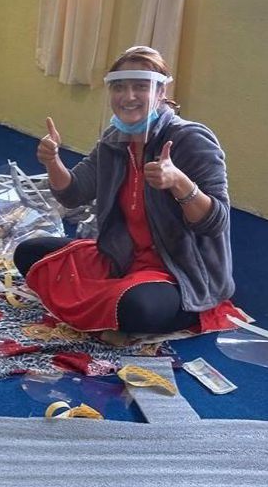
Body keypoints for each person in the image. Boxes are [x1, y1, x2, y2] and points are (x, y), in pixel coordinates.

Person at [13, 46, 240, 335]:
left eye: (140, 87)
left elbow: (215, 222)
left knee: (137, 309)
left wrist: (179, 182)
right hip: (122, 256)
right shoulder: (115, 138)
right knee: (30, 253)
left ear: (160, 93)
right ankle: (117, 300)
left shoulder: (191, 139)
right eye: (119, 87)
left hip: (178, 268)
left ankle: (188, 307)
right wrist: (52, 161)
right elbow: (73, 193)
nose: (128, 96)